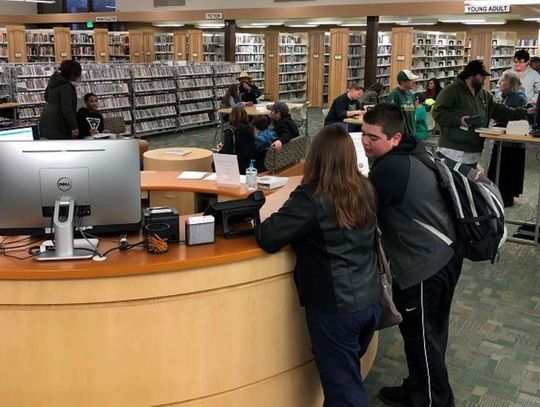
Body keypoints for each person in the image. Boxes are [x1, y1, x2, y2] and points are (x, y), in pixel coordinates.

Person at [255, 124, 382, 407]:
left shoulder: (311, 196)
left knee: (344, 392)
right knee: (345, 379)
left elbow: (268, 237)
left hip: (336, 307)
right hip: (370, 299)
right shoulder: (365, 188)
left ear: (315, 157)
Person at [362, 103, 463, 407]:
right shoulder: (414, 150)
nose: (366, 142)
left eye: (373, 138)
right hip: (445, 255)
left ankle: (435, 400)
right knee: (431, 330)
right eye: (363, 135)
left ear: (394, 138)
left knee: (421, 337)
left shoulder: (391, 168)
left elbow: (359, 213)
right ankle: (418, 388)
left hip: (423, 265)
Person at [433, 60, 530, 168]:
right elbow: (438, 113)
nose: (484, 78)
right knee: (451, 182)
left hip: (474, 150)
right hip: (452, 150)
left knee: (468, 183)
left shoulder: (483, 95)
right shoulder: (451, 90)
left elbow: (500, 111)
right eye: (481, 75)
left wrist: (525, 112)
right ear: (471, 75)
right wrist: (459, 120)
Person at [488, 70, 528, 207]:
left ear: (511, 83)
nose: (499, 83)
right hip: (502, 139)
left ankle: (506, 196)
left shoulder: (519, 97)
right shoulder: (505, 96)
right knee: (499, 167)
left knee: (507, 168)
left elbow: (520, 116)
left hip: (512, 142)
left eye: (503, 80)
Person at [39, 60, 82, 139]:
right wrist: (74, 127)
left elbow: (46, 97)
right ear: (72, 73)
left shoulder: (54, 81)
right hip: (59, 123)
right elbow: (67, 110)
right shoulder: (66, 86)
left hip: (47, 117)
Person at [217, 105, 257, 174]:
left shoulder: (230, 132)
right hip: (250, 163)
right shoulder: (251, 129)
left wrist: (220, 150)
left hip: (236, 166)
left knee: (213, 163)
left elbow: (228, 153)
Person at [387, 69, 419, 137]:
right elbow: (390, 115)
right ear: (402, 82)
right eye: (411, 80)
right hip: (400, 134)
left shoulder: (411, 95)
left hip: (412, 133)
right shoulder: (395, 94)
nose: (414, 82)